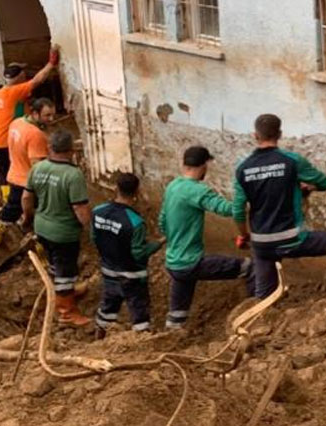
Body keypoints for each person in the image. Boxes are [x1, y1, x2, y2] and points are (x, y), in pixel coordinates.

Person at [233, 114, 326, 300]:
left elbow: (238, 210)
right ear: (280, 134)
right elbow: (324, 183)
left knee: (265, 296)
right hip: (292, 240)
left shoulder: (242, 167)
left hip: (262, 243)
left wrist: (244, 235)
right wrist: (308, 187)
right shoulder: (292, 161)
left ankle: (260, 317)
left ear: (255, 136)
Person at [160, 146, 254, 329]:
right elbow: (228, 210)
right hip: (192, 263)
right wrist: (250, 201)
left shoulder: (172, 186)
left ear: (183, 164)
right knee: (250, 267)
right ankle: (254, 318)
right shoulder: (198, 191)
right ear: (204, 166)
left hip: (174, 263)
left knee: (177, 315)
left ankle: (170, 336)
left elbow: (162, 221)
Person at [23, 130, 91, 326]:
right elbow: (79, 207)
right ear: (71, 151)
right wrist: (91, 229)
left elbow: (26, 197)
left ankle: (65, 292)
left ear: (50, 148)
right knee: (65, 269)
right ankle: (66, 312)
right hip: (63, 232)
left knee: (54, 263)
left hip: (41, 226)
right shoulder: (73, 174)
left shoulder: (38, 168)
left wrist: (28, 218)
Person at [91, 173, 162, 336]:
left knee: (108, 306)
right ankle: (141, 341)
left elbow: (94, 237)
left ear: (116, 188)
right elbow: (138, 253)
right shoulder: (135, 222)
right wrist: (158, 243)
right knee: (139, 311)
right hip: (131, 276)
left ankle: (99, 336)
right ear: (137, 192)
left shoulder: (98, 211)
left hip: (108, 270)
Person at [0, 47, 59, 201]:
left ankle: (9, 197)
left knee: (4, 171)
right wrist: (51, 64)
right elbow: (38, 80)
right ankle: (14, 199)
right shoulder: (15, 92)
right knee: (13, 171)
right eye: (23, 72)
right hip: (5, 141)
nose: (26, 74)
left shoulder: (0, 93)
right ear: (20, 77)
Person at [0, 97, 56, 224]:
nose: (51, 119)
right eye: (47, 115)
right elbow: (37, 166)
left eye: (52, 115)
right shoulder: (35, 134)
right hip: (26, 181)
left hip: (14, 173)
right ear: (35, 113)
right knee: (17, 213)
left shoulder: (17, 122)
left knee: (12, 209)